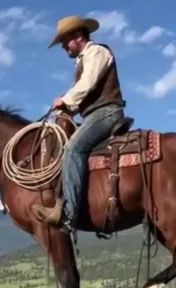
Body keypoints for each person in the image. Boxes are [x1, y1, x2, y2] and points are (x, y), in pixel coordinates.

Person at [31, 15, 127, 233]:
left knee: (73, 149)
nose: (64, 47)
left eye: (65, 41)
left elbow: (87, 84)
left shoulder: (97, 52)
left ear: (77, 36)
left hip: (106, 112)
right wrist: (67, 109)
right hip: (94, 114)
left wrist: (65, 100)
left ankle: (69, 215)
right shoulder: (84, 60)